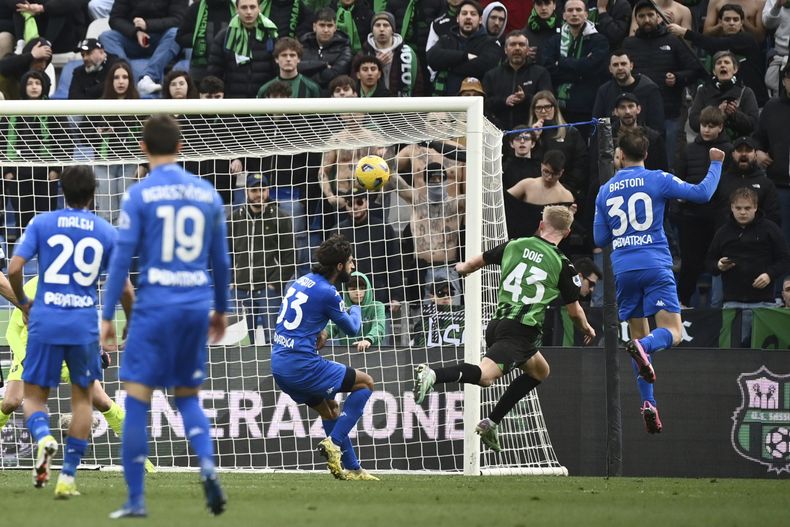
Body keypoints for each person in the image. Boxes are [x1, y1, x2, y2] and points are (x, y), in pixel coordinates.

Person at [100, 115, 230, 518]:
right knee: (188, 397)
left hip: (155, 306)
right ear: (180, 147)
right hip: (195, 304)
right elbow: (221, 261)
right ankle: (207, 466)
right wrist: (221, 309)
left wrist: (107, 315)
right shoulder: (207, 193)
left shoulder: (139, 194)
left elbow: (121, 260)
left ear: (143, 147)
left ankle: (136, 500)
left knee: (137, 402)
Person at [413, 205, 596, 452]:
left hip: (498, 325)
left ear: (541, 225)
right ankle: (433, 374)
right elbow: (574, 312)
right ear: (567, 233)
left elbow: (474, 263)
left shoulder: (515, 245)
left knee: (540, 371)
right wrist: (587, 328)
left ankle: (491, 422)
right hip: (520, 331)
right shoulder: (563, 264)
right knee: (485, 377)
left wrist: (462, 268)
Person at [6, 166, 128, 497]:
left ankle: (44, 437)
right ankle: (67, 477)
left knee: (33, 398)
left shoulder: (42, 223)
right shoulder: (106, 231)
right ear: (93, 194)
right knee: (84, 401)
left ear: (61, 190)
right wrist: (129, 321)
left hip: (45, 321)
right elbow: (123, 287)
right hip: (82, 324)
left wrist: (23, 301)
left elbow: (14, 268)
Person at [593, 128, 725, 434]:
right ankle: (643, 347)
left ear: (620, 155)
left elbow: (600, 238)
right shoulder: (657, 178)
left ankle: (649, 403)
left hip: (624, 270)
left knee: (639, 336)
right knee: (672, 333)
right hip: (654, 264)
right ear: (646, 154)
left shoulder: (605, 190)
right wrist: (716, 163)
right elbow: (702, 194)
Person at [0, 275, 155, 475]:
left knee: (102, 401)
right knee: (11, 401)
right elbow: (12, 331)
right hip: (32, 351)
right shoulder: (32, 287)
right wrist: (24, 358)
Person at [271, 234, 378, 480]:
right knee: (366, 383)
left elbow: (293, 318)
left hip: (279, 364)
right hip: (302, 365)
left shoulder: (301, 281)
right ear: (339, 266)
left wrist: (317, 331)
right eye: (350, 262)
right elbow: (352, 329)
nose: (353, 266)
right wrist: (356, 307)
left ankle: (353, 469)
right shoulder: (328, 292)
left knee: (331, 410)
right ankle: (334, 442)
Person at [706, 187, 790, 343]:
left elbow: (785, 259)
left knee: (763, 351)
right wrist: (719, 265)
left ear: (756, 207)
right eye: (738, 208)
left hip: (764, 304)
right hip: (732, 303)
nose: (742, 212)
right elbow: (709, 262)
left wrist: (769, 275)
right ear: (731, 207)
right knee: (733, 351)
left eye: (747, 208)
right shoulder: (723, 232)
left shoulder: (770, 229)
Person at [673, 105, 732, 308]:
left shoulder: (728, 150)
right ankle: (682, 304)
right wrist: (679, 204)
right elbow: (679, 179)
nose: (706, 129)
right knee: (690, 263)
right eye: (704, 125)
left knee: (718, 262)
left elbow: (730, 182)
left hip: (718, 216)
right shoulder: (689, 150)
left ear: (720, 127)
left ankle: (719, 305)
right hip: (691, 217)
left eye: (711, 126)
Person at [228, 173, 296, 345]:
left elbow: (290, 257)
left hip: (269, 290)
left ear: (268, 190)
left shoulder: (281, 218)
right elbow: (225, 253)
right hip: (240, 290)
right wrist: (231, 280)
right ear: (246, 191)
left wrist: (274, 283)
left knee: (274, 341)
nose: (259, 194)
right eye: (254, 190)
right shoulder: (234, 218)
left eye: (263, 189)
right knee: (242, 343)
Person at [667, 4, 767, 106]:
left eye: (735, 20)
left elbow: (715, 44)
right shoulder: (717, 45)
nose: (731, 23)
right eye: (727, 19)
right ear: (720, 22)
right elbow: (701, 65)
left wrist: (685, 32)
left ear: (741, 23)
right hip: (725, 100)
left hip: (753, 101)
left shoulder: (747, 40)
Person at [539, 0, 610, 127]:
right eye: (570, 10)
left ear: (586, 14)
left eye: (578, 10)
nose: (574, 13)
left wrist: (561, 62)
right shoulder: (554, 41)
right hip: (558, 107)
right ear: (564, 15)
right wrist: (580, 71)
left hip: (587, 107)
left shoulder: (599, 40)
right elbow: (548, 68)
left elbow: (593, 68)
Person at [98, 0, 187, 96]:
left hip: (162, 38)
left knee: (176, 33)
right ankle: (126, 76)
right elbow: (115, 19)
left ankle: (148, 77)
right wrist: (135, 32)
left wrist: (148, 25)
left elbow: (179, 19)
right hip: (132, 38)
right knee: (107, 37)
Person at [426, 0, 502, 96]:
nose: (468, 17)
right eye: (464, 13)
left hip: (478, 101)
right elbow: (432, 58)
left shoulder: (491, 42)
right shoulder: (446, 39)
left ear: (480, 19)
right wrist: (465, 56)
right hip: (446, 100)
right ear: (458, 18)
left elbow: (485, 66)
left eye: (473, 14)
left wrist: (448, 65)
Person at [482, 30, 553, 131]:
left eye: (521, 44)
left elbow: (548, 101)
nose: (517, 48)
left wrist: (525, 98)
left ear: (528, 49)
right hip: (499, 132)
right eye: (512, 44)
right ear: (505, 50)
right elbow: (485, 103)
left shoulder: (540, 73)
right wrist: (504, 101)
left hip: (531, 132)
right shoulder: (491, 75)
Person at [207, 0, 279, 98]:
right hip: (233, 100)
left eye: (252, 7)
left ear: (259, 9)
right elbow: (215, 72)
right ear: (237, 9)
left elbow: (277, 70)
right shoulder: (225, 36)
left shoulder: (271, 35)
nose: (248, 12)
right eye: (244, 7)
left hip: (263, 99)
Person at [687, 50, 759, 141]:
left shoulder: (745, 92)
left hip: (736, 145)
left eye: (727, 62)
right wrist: (717, 113)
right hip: (709, 144)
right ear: (714, 71)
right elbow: (693, 122)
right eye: (719, 63)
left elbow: (753, 124)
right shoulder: (703, 91)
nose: (722, 65)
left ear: (735, 69)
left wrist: (734, 115)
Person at [591, 49, 664, 132]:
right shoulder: (604, 91)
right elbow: (598, 124)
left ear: (631, 66)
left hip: (644, 138)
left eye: (623, 64)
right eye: (615, 65)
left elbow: (657, 126)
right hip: (614, 138)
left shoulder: (649, 89)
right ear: (610, 69)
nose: (620, 68)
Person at [359, 11, 424, 97]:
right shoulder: (362, 54)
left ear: (393, 30)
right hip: (373, 103)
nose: (381, 29)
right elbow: (355, 84)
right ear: (372, 30)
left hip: (401, 103)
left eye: (386, 25)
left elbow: (418, 85)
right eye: (377, 25)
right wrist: (376, 66)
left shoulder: (408, 53)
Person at [324, 271, 387, 350]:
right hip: (346, 352)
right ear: (346, 291)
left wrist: (368, 340)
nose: (358, 292)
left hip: (373, 351)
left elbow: (379, 327)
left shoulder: (377, 306)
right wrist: (321, 335)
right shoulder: (341, 308)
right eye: (353, 289)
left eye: (362, 288)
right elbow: (331, 328)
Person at [299, 7, 352, 93]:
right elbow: (297, 67)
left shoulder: (344, 48)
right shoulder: (302, 45)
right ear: (314, 27)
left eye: (329, 26)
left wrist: (309, 74)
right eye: (322, 25)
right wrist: (323, 65)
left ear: (335, 27)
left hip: (333, 95)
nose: (326, 30)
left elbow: (335, 74)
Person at [257, 36, 321, 98]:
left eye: (292, 55)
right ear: (276, 59)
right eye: (284, 55)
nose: (288, 59)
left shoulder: (312, 88)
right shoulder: (265, 90)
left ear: (299, 59)